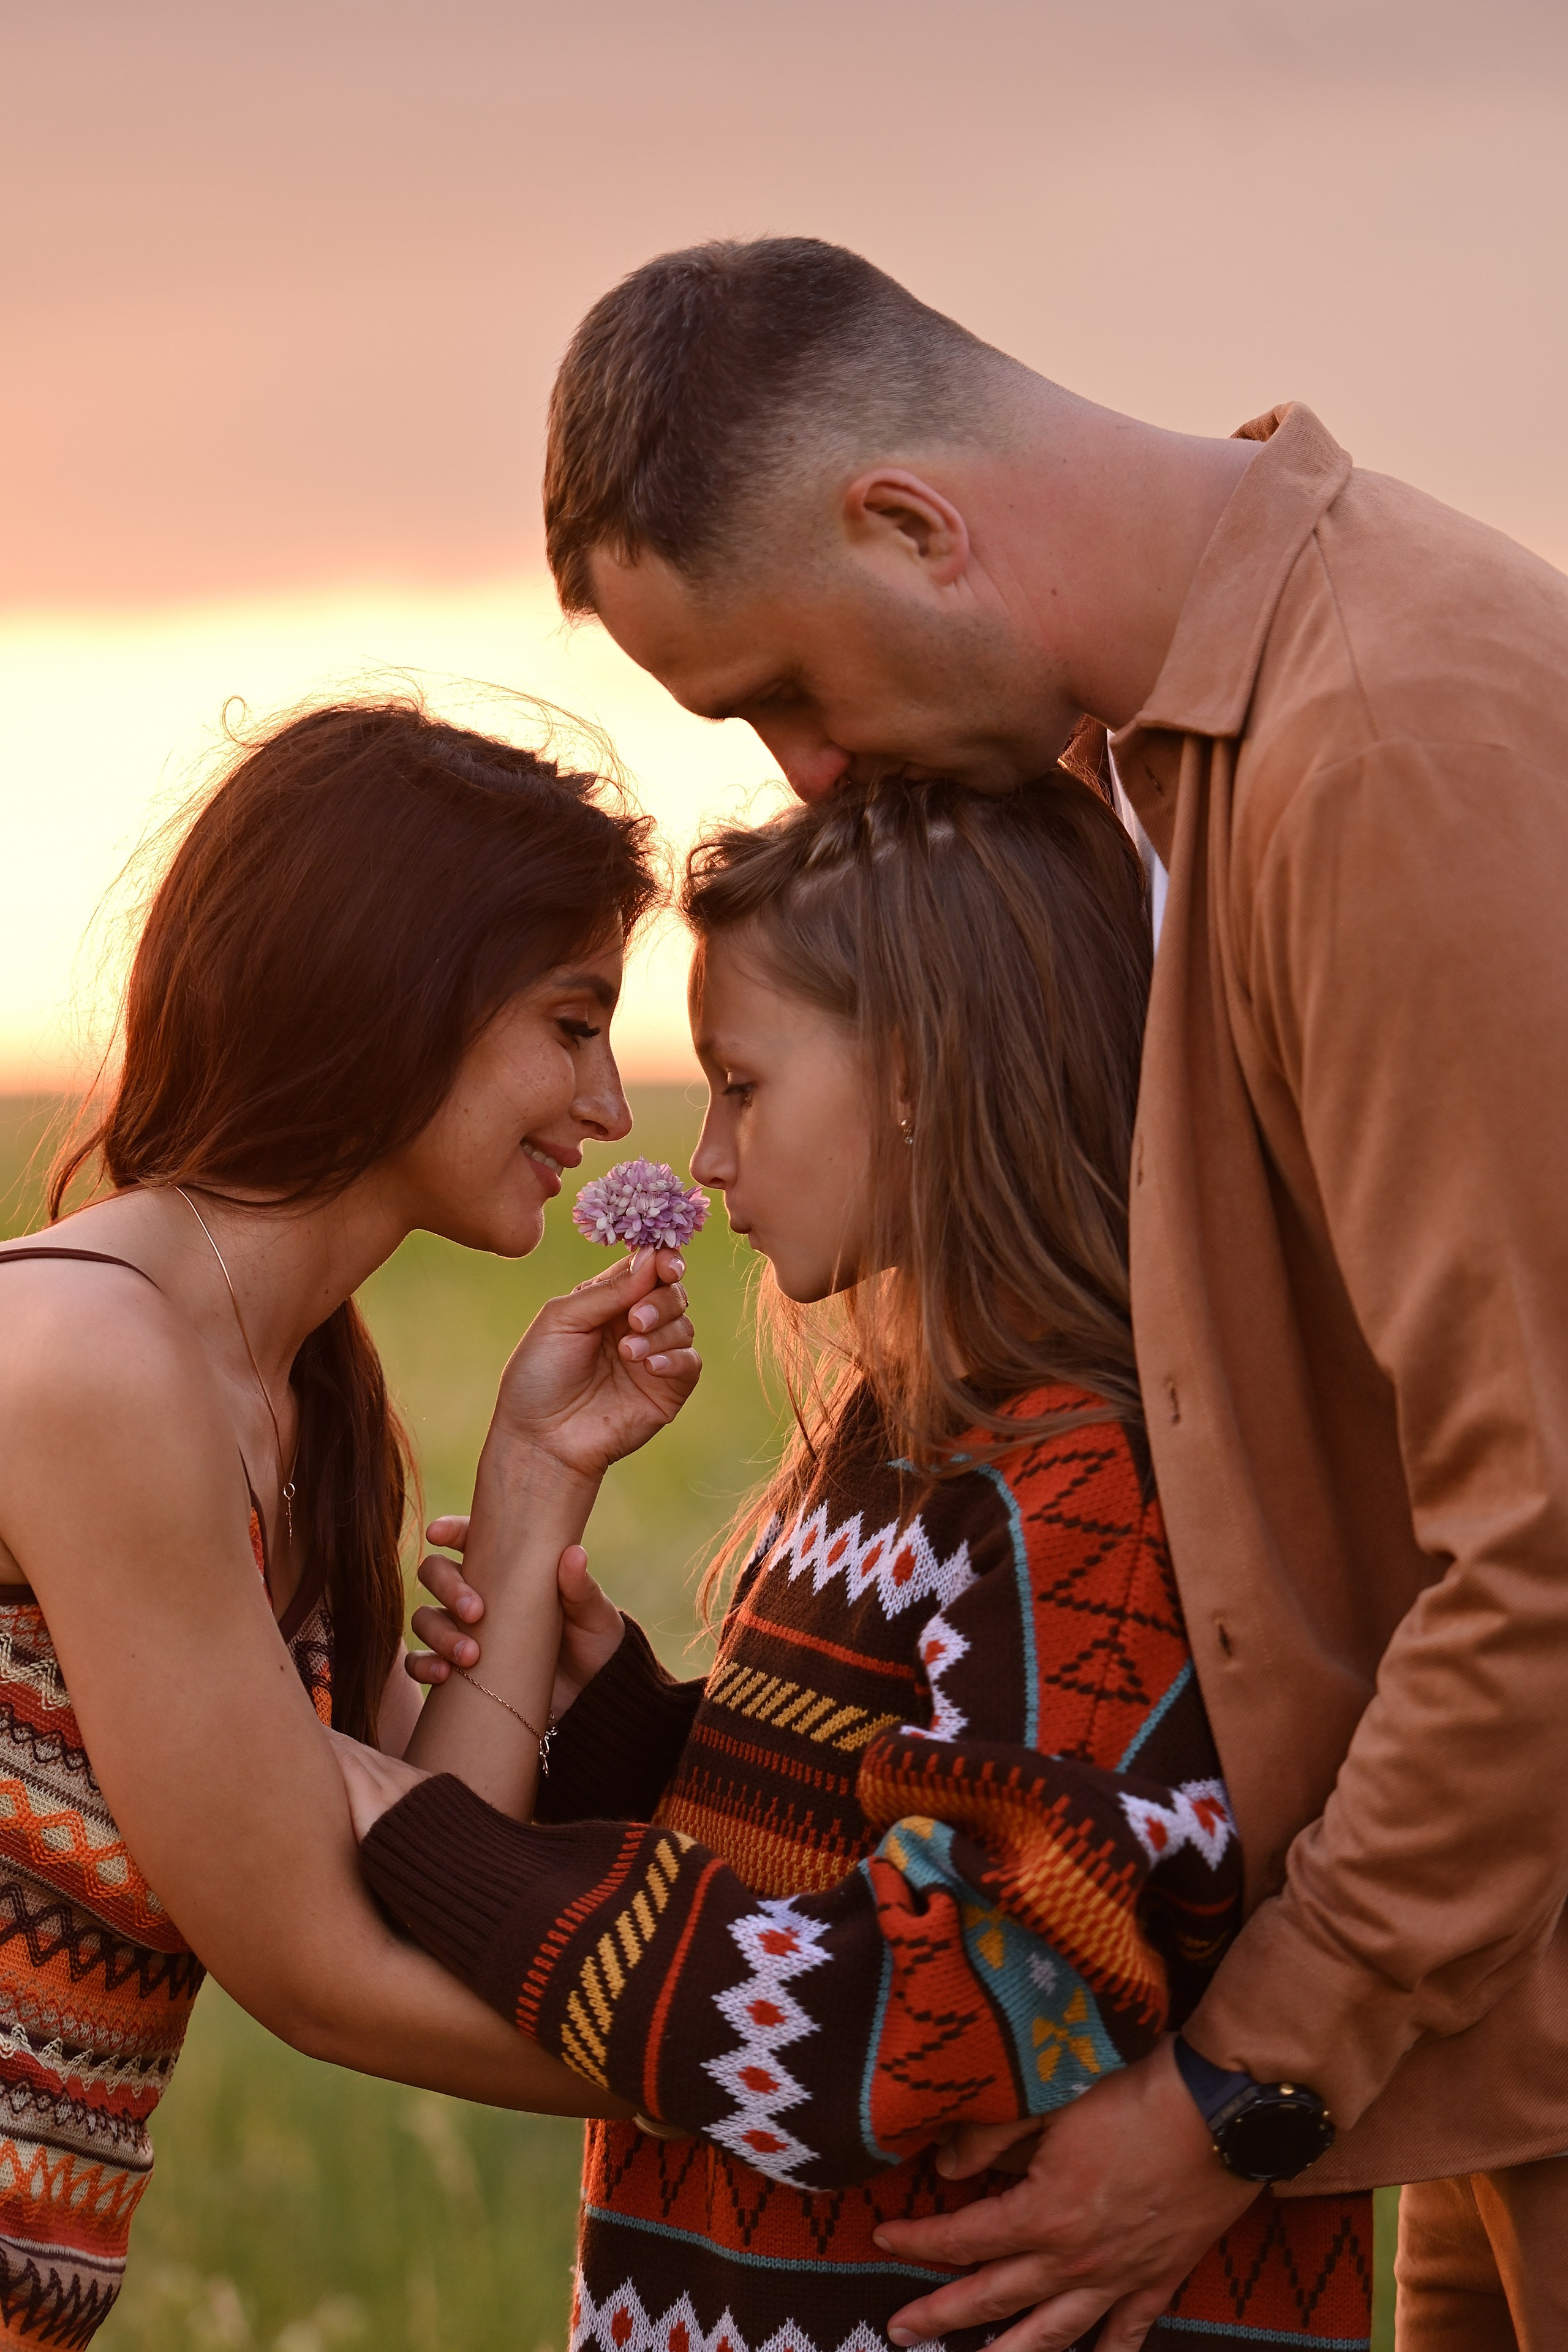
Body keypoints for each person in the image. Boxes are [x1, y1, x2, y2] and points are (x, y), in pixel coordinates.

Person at [529, 235, 1568, 2351]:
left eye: (782, 694)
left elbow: (1545, 1537)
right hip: (1470, 2009)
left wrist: (1236, 2083)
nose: (810, 776)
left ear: (912, 526)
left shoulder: (1381, 743)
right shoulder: (1182, 773)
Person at [333, 776, 1374, 2352]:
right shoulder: (898, 1441)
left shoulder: (1079, 1487)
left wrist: (412, 1827)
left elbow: (932, 2021)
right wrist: (618, 1718)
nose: (705, 1156)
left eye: (742, 1085)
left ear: (926, 1083)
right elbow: (860, 1822)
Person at [0, 698, 703, 2344]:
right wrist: (834, 2092)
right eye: (571, 1022)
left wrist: (534, 1490)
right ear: (402, 990)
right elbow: (321, 1970)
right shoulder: (93, 1364)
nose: (610, 1108)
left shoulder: (299, 1398)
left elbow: (431, 1887)